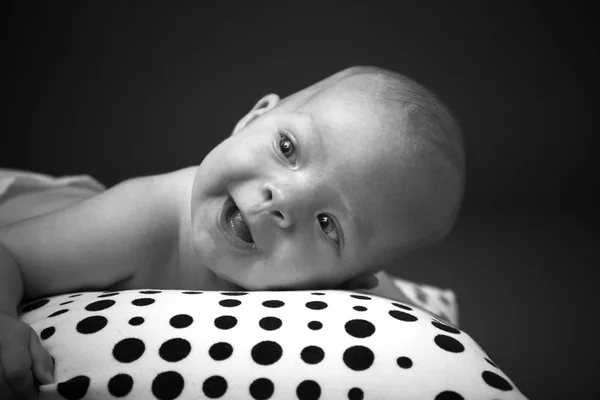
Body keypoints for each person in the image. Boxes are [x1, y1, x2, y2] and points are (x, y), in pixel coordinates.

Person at [0, 65, 465, 399]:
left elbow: (399, 314)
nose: (281, 199)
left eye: (328, 225)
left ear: (349, 280)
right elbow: (10, 254)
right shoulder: (146, 218)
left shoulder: (347, 286)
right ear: (252, 119)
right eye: (288, 148)